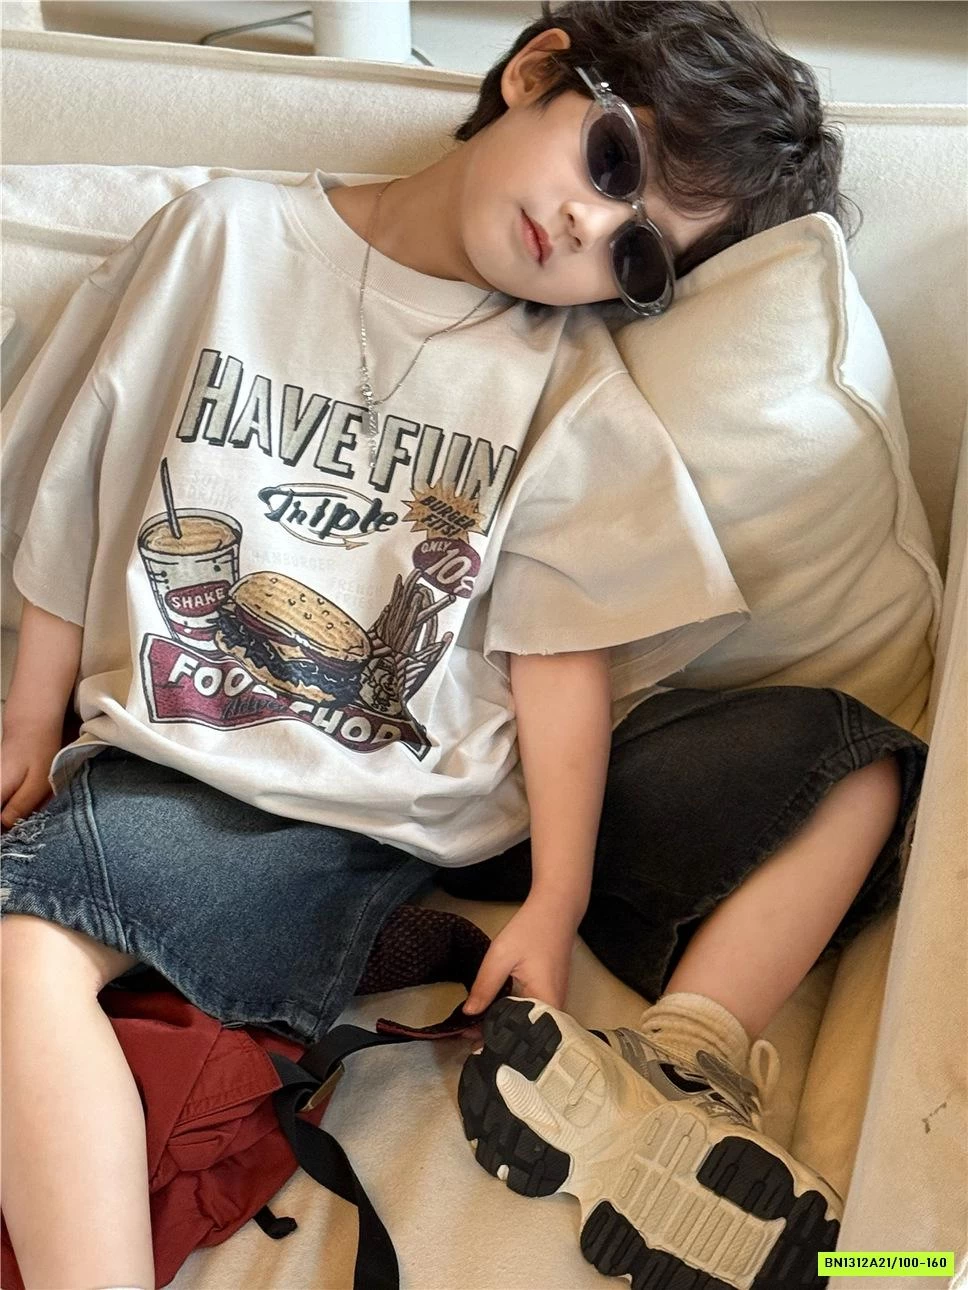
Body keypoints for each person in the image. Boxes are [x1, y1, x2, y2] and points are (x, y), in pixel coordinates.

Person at [0, 3, 926, 1288]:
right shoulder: (224, 239)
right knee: (24, 949)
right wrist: (28, 718)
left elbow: (559, 654)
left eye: (638, 253)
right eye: (611, 162)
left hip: (466, 801)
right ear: (539, 69)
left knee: (851, 759)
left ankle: (672, 1073)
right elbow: (82, 480)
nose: (591, 229)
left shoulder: (564, 381)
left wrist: (555, 900)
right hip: (229, 790)